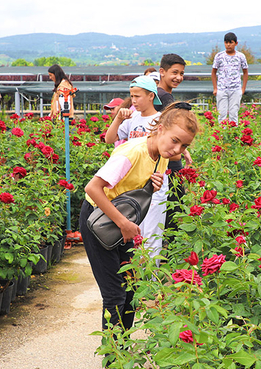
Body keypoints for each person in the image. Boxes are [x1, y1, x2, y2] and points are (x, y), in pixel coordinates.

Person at [81, 102, 198, 335]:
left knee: (132, 288)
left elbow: (132, 186)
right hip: (99, 221)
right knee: (114, 294)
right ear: (160, 129)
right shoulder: (132, 153)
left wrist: (150, 188)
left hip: (121, 220)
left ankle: (123, 347)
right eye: (175, 140)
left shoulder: (162, 155)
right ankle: (114, 357)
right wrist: (124, 223)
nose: (177, 149)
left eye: (184, 145)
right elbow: (93, 188)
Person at [153, 53, 193, 240]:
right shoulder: (165, 98)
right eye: (174, 72)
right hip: (170, 163)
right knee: (173, 212)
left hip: (166, 159)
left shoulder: (157, 94)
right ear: (162, 72)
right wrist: (180, 153)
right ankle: (170, 257)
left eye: (182, 73)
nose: (179, 77)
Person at [104, 76, 161, 145]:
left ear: (151, 96)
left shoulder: (160, 120)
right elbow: (109, 139)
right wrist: (118, 119)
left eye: (137, 96)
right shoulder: (132, 117)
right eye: (132, 96)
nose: (133, 101)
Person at [211, 32, 249, 124]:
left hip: (235, 89)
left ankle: (233, 135)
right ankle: (221, 136)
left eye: (231, 42)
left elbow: (245, 72)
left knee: (234, 114)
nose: (228, 45)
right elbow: (213, 72)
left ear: (236, 43)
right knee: (221, 115)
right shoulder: (219, 56)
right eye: (226, 42)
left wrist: (243, 88)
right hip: (222, 89)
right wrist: (215, 88)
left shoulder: (241, 56)